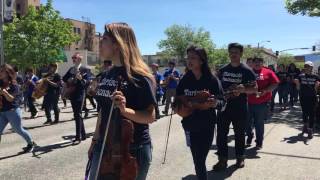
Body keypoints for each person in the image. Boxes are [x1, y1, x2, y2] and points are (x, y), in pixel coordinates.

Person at [87, 22, 156, 180]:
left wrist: (125, 111)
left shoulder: (141, 77)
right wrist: (95, 140)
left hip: (132, 149)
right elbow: (103, 111)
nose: (100, 43)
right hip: (104, 147)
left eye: (104, 39)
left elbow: (150, 116)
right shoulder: (107, 74)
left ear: (117, 44)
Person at [175, 45, 225, 180]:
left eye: (193, 58)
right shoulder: (184, 79)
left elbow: (223, 103)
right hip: (189, 125)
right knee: (197, 158)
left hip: (206, 125)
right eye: (188, 58)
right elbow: (177, 102)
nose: (189, 61)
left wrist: (215, 103)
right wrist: (182, 107)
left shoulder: (212, 79)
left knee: (199, 158)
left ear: (202, 60)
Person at [213, 43, 257, 171]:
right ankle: (222, 160)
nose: (233, 54)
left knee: (239, 134)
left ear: (241, 54)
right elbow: (216, 86)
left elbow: (255, 89)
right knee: (221, 135)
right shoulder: (222, 70)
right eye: (231, 52)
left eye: (236, 52)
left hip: (240, 108)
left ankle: (240, 157)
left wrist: (243, 89)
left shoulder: (247, 71)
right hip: (223, 107)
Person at [0, 64, 36, 152]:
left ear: (7, 73)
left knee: (18, 130)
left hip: (13, 111)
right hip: (2, 111)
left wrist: (4, 92)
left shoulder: (13, 84)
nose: (0, 72)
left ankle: (31, 143)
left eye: (2, 71)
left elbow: (11, 99)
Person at [246, 58, 279, 149]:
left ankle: (259, 141)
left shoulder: (268, 72)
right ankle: (249, 135)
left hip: (262, 102)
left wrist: (266, 90)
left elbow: (275, 83)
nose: (257, 63)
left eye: (259, 62)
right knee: (246, 123)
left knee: (258, 123)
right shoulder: (247, 72)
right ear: (252, 63)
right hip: (247, 102)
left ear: (262, 63)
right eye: (255, 62)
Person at [63, 53, 89, 143]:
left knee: (77, 115)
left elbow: (86, 83)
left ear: (80, 59)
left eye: (75, 57)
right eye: (72, 58)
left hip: (80, 94)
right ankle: (84, 134)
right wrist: (68, 80)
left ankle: (78, 137)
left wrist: (81, 79)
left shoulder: (85, 69)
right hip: (72, 94)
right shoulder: (71, 69)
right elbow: (64, 78)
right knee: (77, 115)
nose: (73, 59)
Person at [294, 61, 319, 139]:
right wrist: (297, 83)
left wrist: (317, 85)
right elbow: (298, 87)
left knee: (312, 113)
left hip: (312, 97)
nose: (307, 68)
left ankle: (310, 130)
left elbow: (317, 87)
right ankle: (305, 125)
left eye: (309, 66)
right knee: (304, 112)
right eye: (306, 66)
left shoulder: (316, 76)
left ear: (312, 67)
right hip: (303, 97)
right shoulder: (300, 76)